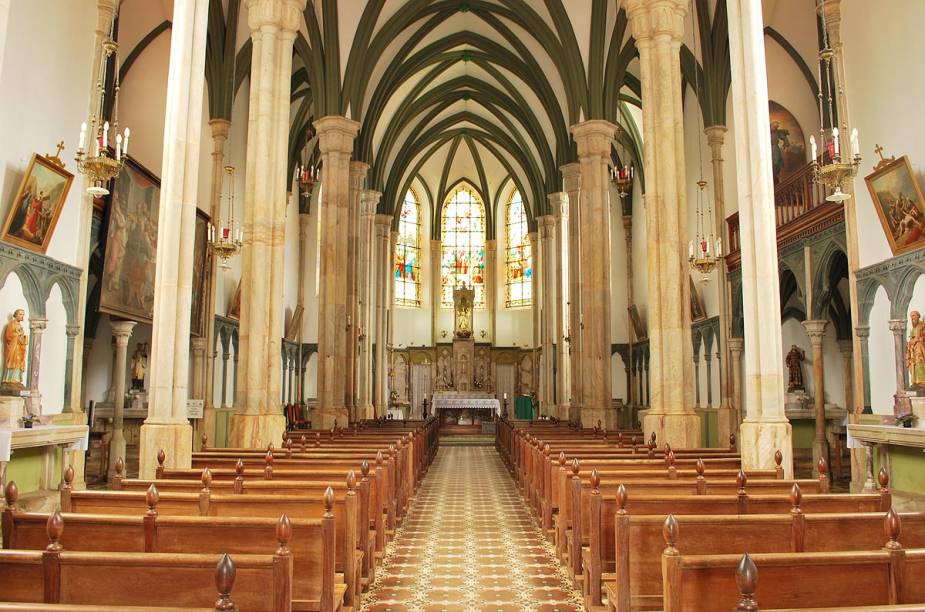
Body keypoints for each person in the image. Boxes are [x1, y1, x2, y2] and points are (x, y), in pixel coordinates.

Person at [2, 309, 28, 389]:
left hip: (19, 348)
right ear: (16, 315)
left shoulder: (20, 325)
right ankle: (10, 379)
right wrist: (17, 335)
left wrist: (23, 337)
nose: (22, 316)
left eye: (23, 314)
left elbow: (20, 335)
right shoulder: (12, 324)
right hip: (13, 348)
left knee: (19, 362)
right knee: (14, 361)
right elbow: (8, 336)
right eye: (20, 314)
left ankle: (17, 380)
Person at [906, 310, 925, 388]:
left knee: (921, 364)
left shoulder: (922, 325)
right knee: (915, 365)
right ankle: (917, 381)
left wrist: (917, 340)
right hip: (914, 350)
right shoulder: (913, 328)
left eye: (914, 316)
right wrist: (910, 343)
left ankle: (922, 380)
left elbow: (922, 336)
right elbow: (912, 338)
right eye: (911, 317)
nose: (912, 318)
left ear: (918, 316)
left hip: (921, 349)